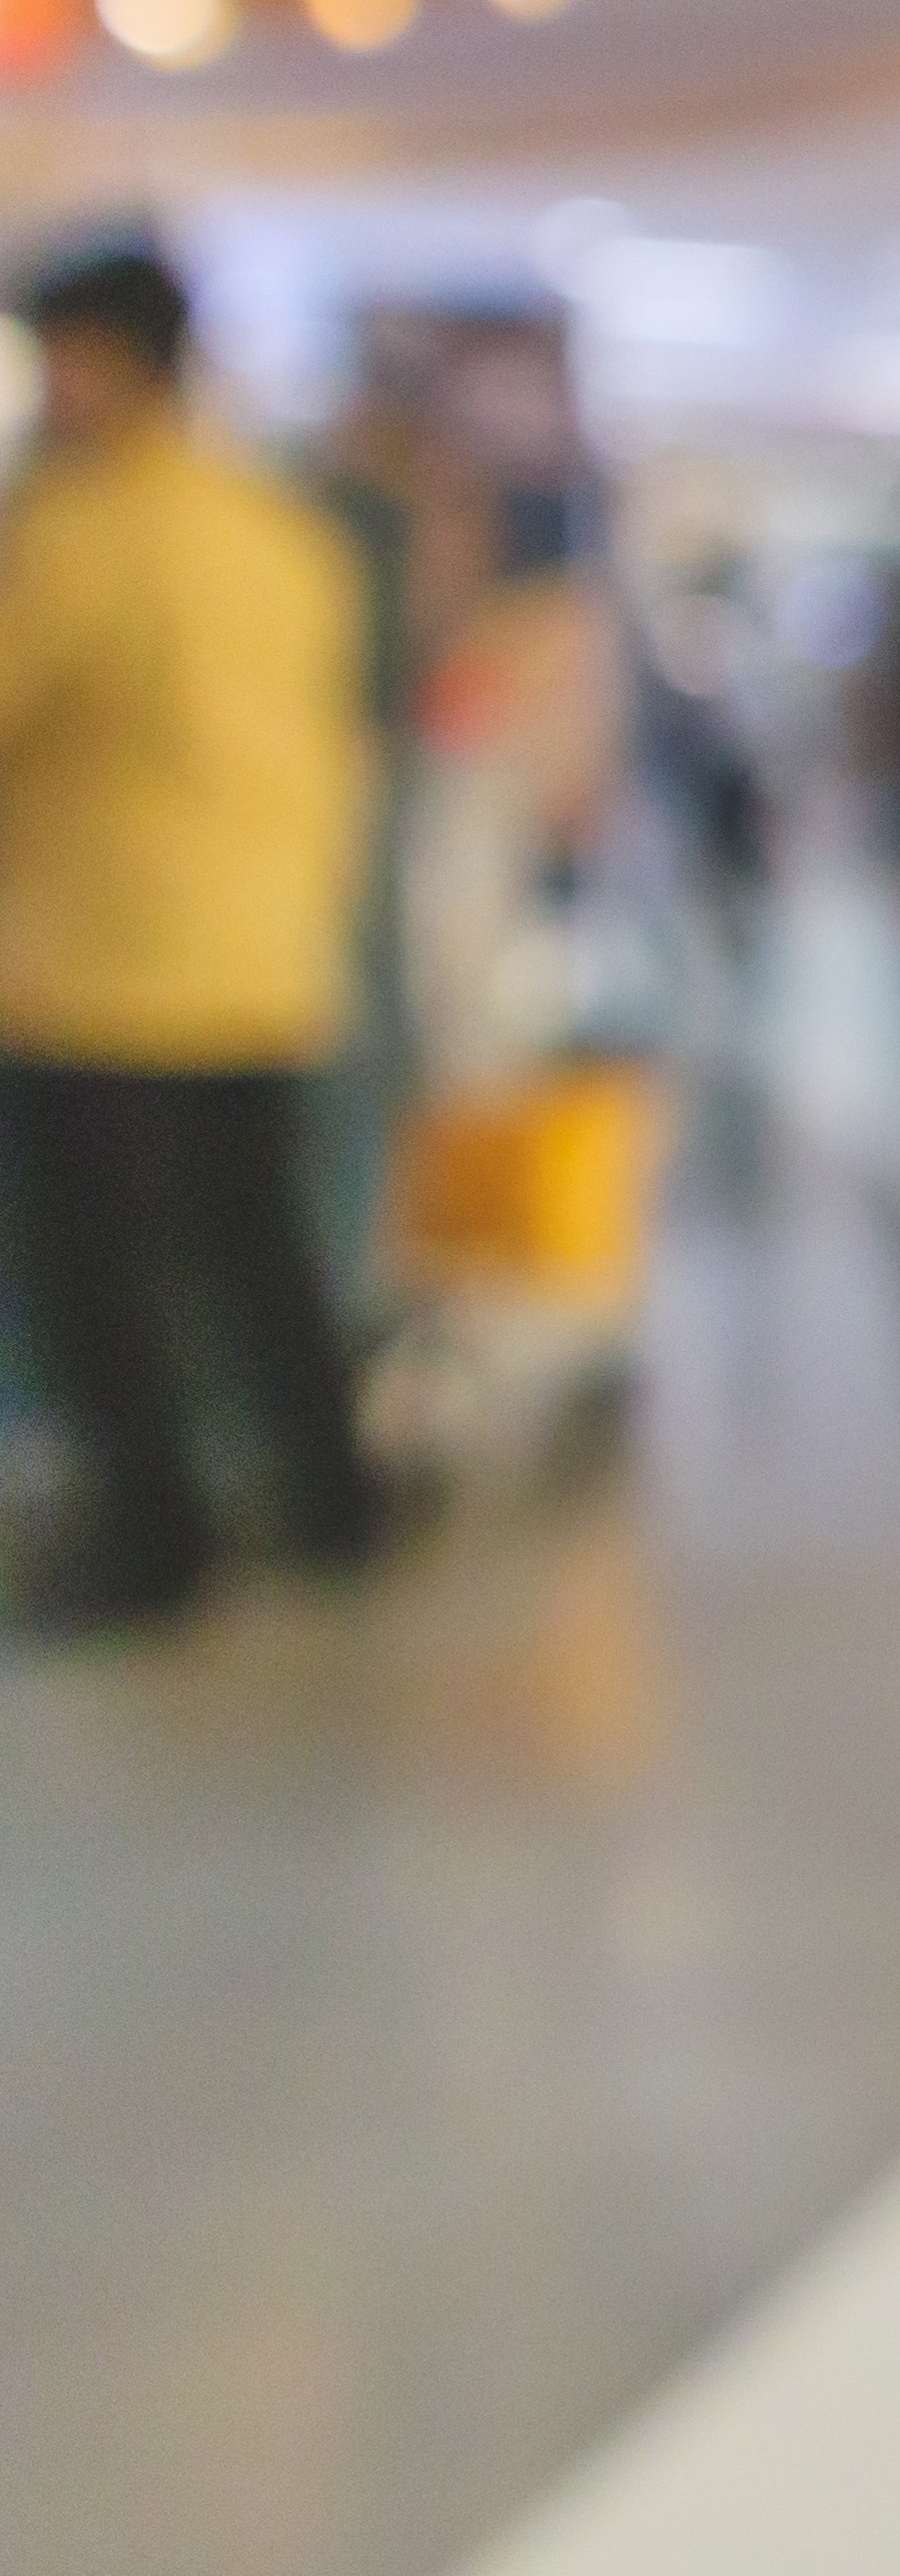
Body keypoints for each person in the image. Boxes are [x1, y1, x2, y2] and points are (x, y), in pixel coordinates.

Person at [0, 245, 386, 1629]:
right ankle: (335, 1500)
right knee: (254, 1242)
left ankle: (154, 1541)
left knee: (88, 1270)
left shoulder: (83, 525)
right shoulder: (280, 526)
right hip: (265, 951)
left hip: (106, 963)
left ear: (101, 358)